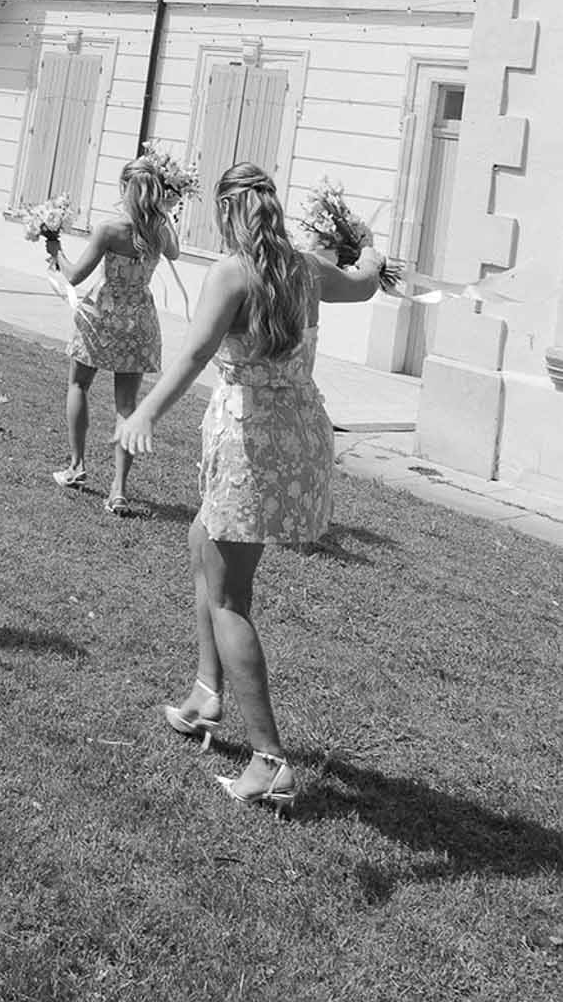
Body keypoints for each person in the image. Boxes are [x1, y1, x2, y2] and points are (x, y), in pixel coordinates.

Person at [115, 162, 383, 815]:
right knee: (200, 535)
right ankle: (209, 691)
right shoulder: (305, 267)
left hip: (252, 444)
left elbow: (194, 356)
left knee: (231, 595)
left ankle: (269, 762)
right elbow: (368, 282)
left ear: (227, 212)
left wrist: (145, 412)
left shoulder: (232, 272)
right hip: (299, 440)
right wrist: (365, 240)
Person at [49, 156, 180, 516]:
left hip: (101, 317)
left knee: (79, 386)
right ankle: (119, 489)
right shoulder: (159, 231)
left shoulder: (110, 229)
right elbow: (176, 252)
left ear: (124, 188)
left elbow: (74, 276)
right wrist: (165, 212)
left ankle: (76, 466)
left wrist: (55, 252)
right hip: (138, 321)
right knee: (127, 406)